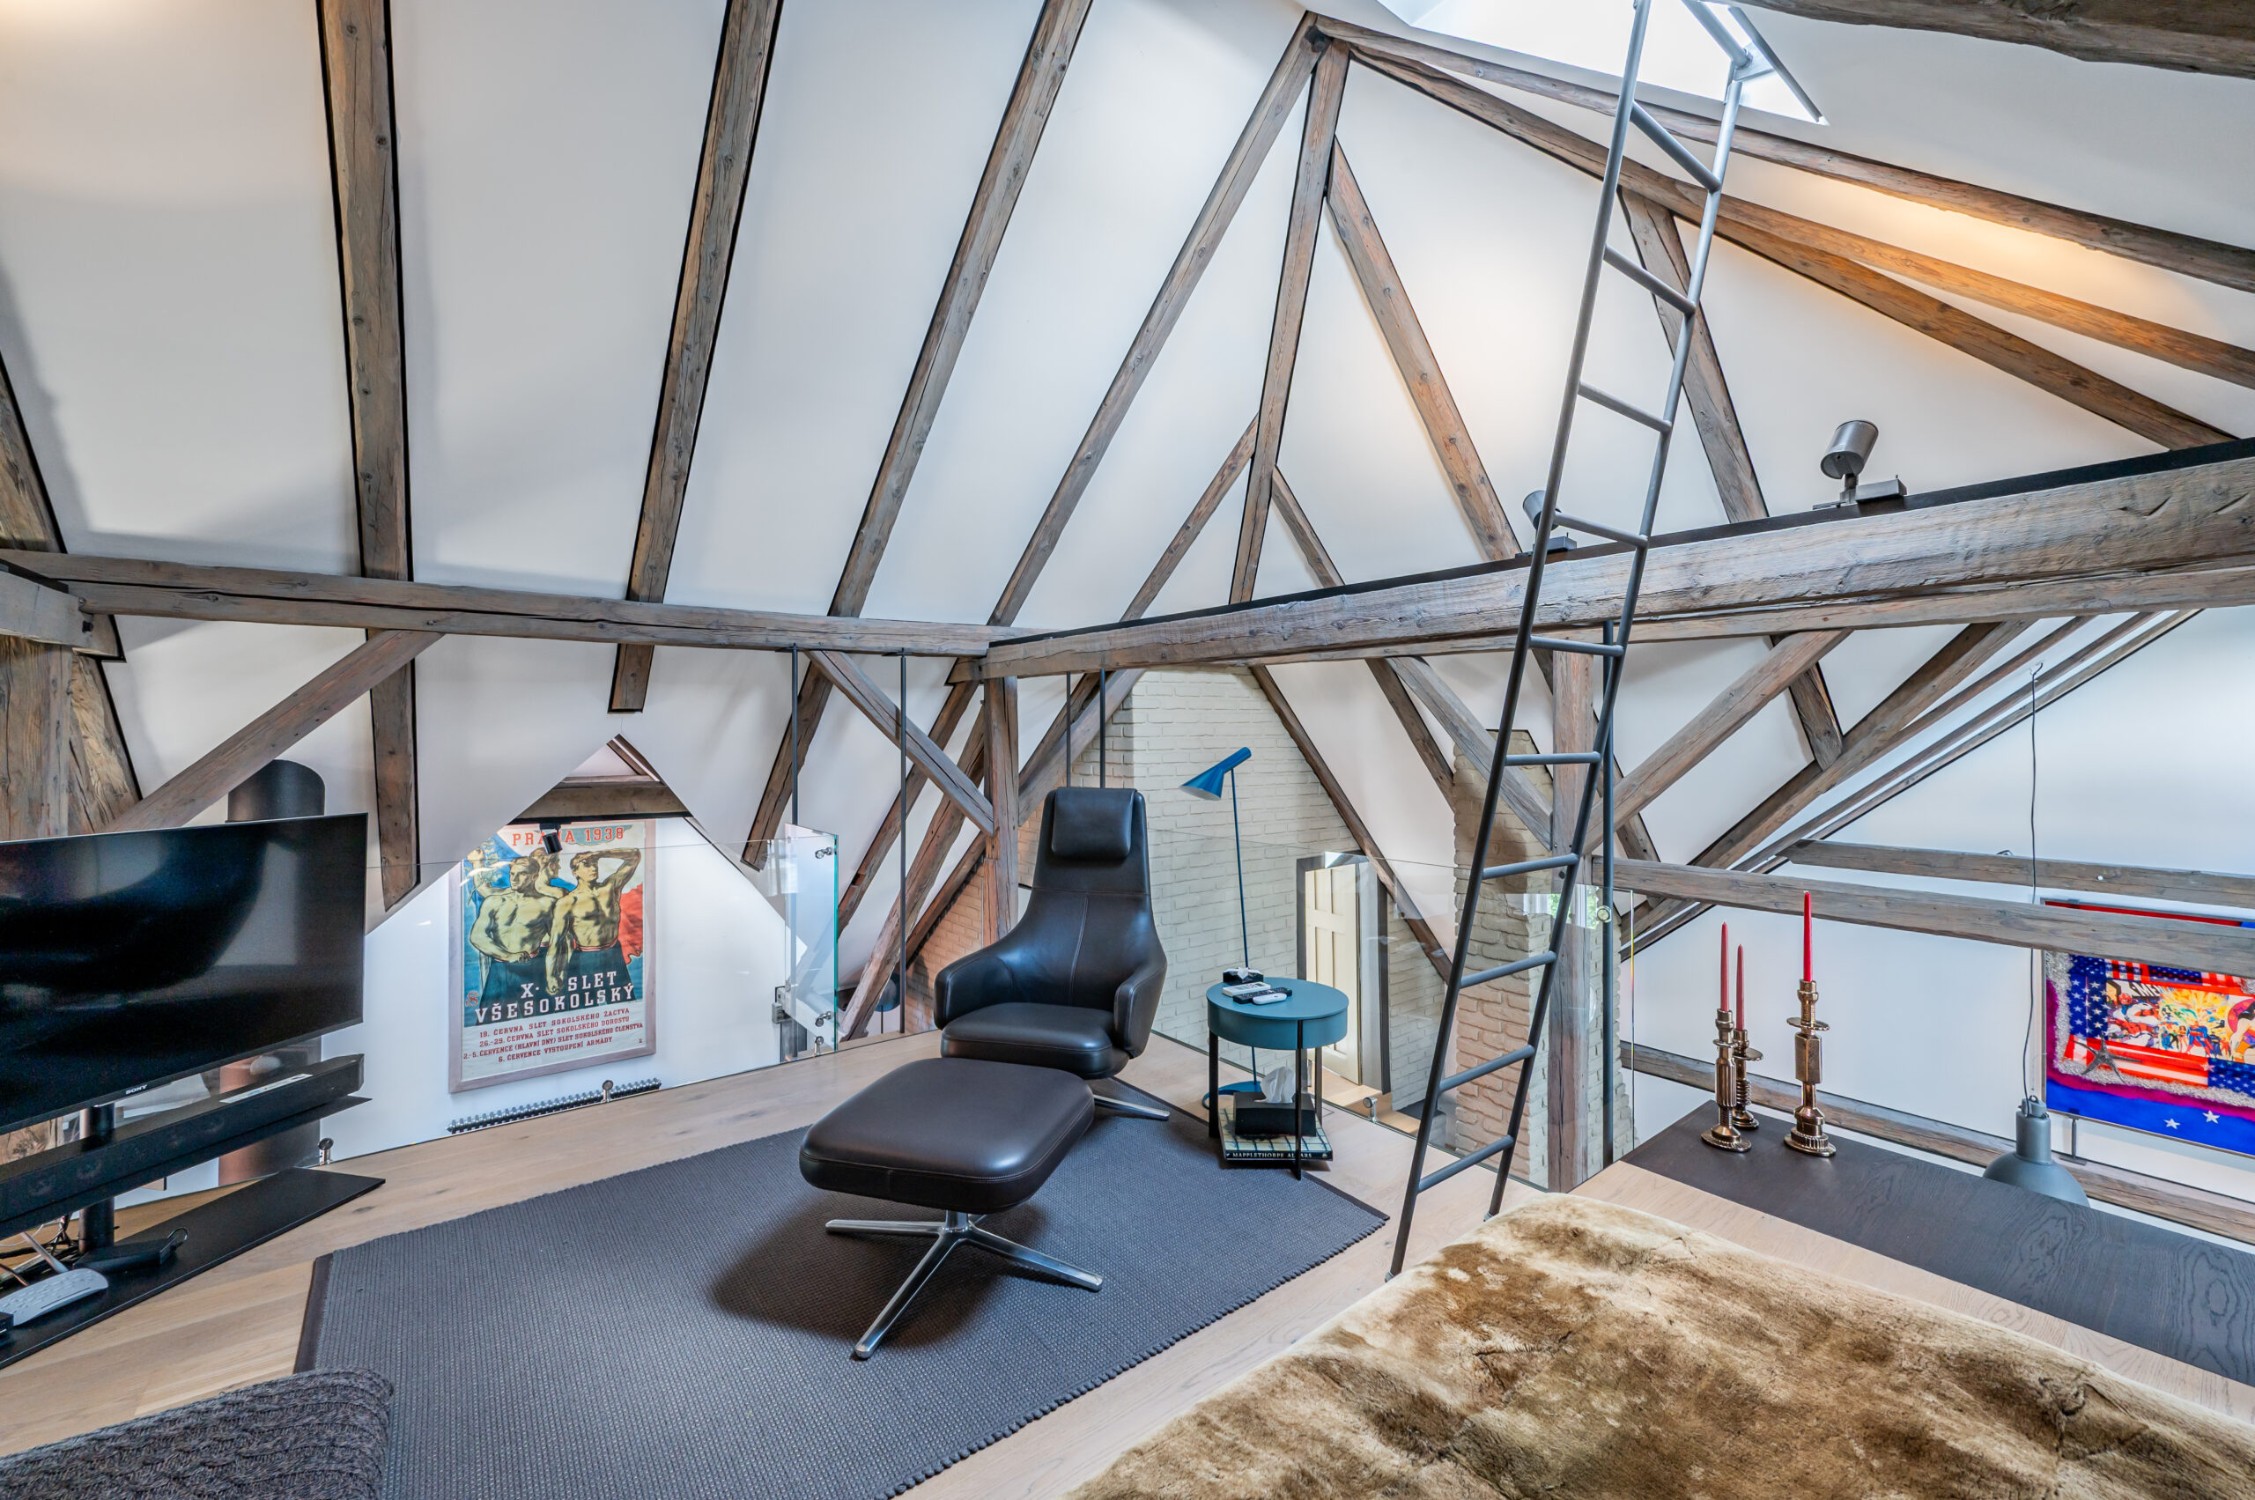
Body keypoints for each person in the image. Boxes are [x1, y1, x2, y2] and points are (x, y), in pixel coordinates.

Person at [469, 847, 564, 1008]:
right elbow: (477, 936)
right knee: (491, 1015)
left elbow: (557, 943)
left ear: (534, 876)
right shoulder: (495, 901)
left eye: (521, 874)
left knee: (536, 1015)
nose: (514, 879)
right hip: (499, 969)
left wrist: (552, 975)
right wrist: (507, 956)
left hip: (532, 969)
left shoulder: (548, 904)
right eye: (512, 874)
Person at [549, 846, 643, 1003]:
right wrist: (552, 975)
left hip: (613, 953)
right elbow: (556, 941)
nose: (593, 868)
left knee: (623, 1003)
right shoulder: (568, 902)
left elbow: (634, 855)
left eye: (595, 863)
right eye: (586, 865)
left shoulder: (610, 887)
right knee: (582, 1006)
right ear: (575, 872)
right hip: (586, 958)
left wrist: (601, 853)